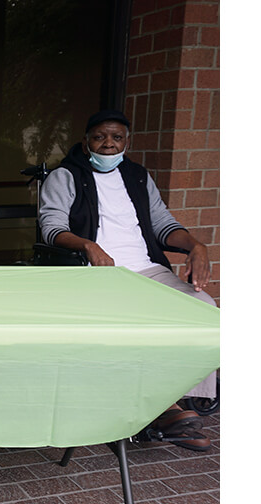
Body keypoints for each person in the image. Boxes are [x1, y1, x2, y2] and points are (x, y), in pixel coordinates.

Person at [38, 109, 216, 451]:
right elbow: (52, 227)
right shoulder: (66, 176)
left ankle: (169, 401)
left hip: (145, 269)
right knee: (135, 323)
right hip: (98, 273)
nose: (108, 144)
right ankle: (165, 410)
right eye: (99, 137)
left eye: (116, 137)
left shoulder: (137, 176)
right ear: (86, 141)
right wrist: (88, 245)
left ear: (126, 142)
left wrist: (197, 245)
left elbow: (163, 225)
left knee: (203, 309)